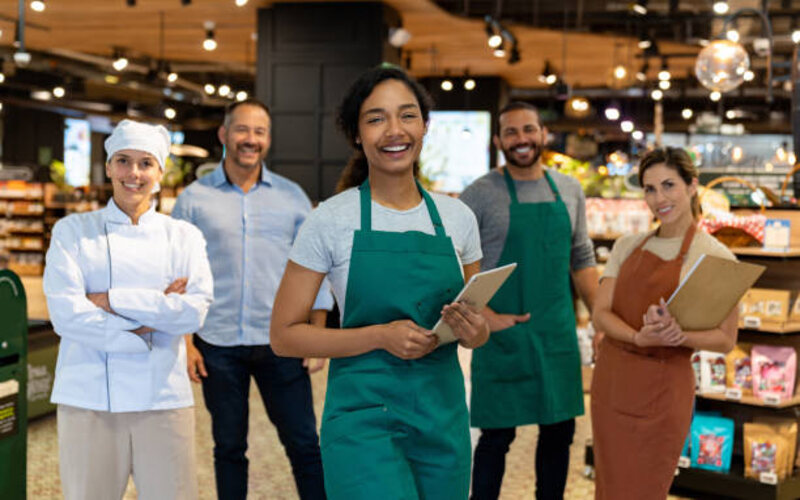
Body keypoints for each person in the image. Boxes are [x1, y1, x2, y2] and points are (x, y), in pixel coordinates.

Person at [269, 66, 489, 499]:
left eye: (407, 116)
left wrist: (474, 332)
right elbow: (284, 336)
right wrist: (378, 336)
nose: (394, 130)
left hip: (442, 418)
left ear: (425, 126)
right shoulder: (329, 220)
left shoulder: (458, 219)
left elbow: (477, 326)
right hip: (362, 421)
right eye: (376, 118)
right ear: (356, 134)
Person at [171, 99, 333, 500]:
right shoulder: (192, 200)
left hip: (282, 340)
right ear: (224, 135)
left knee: (304, 445)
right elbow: (177, 277)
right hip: (217, 345)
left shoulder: (292, 197)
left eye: (259, 132)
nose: (251, 139)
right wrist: (187, 343)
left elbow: (315, 265)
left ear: (268, 139)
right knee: (229, 449)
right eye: (242, 130)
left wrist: (318, 332)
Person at [44, 119, 214, 500]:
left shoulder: (183, 237)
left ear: (160, 171)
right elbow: (66, 316)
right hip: (88, 396)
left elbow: (192, 314)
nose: (133, 173)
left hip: (163, 397)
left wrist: (110, 300)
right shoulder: (72, 232)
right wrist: (153, 318)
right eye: (123, 160)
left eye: (145, 163)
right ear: (107, 166)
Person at [459, 102, 599, 500]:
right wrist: (483, 314)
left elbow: (582, 258)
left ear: (543, 134)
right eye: (512, 132)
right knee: (496, 437)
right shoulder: (481, 194)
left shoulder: (568, 189)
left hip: (556, 332)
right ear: (498, 140)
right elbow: (451, 261)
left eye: (528, 130)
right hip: (502, 337)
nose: (521, 139)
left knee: (560, 433)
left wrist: (602, 317)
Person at [590, 147, 738, 499]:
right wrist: (637, 338)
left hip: (662, 393)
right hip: (612, 386)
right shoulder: (627, 246)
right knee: (609, 488)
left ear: (691, 186)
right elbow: (601, 313)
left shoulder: (716, 256)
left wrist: (679, 335)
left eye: (669, 185)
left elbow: (726, 339)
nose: (659, 198)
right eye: (650, 189)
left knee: (644, 488)